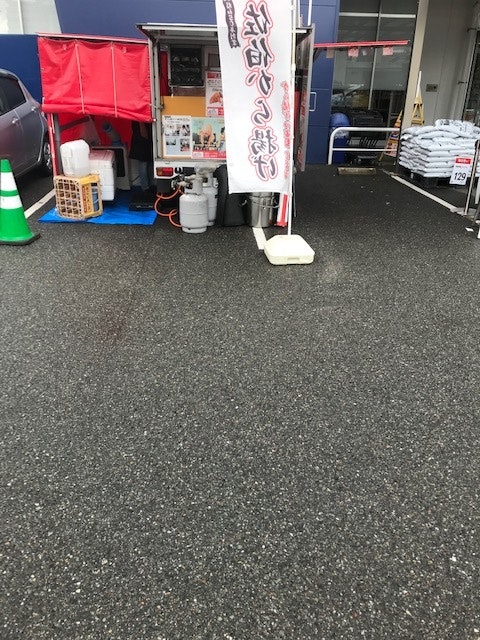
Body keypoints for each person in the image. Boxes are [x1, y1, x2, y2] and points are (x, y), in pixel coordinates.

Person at [129, 121, 154, 195]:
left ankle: (147, 187)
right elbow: (143, 133)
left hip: (143, 142)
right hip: (142, 143)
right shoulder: (140, 120)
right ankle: (146, 188)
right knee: (144, 165)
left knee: (145, 165)